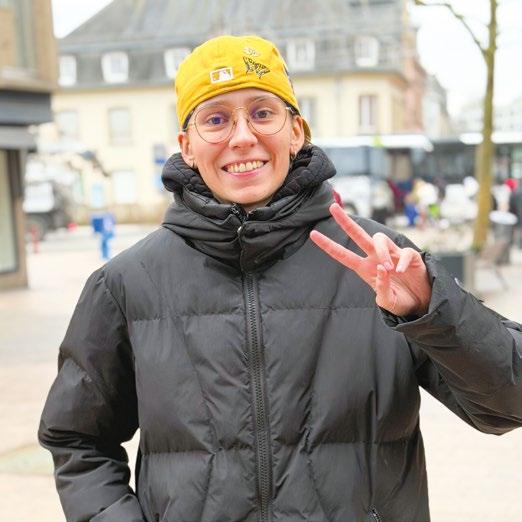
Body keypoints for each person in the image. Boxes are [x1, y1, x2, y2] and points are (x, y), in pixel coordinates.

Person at [39, 34, 522, 522]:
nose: (242, 137)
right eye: (216, 119)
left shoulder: (382, 262)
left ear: (296, 132)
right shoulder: (125, 284)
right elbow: (77, 440)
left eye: (262, 113)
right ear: (186, 147)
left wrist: (431, 311)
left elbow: (509, 404)